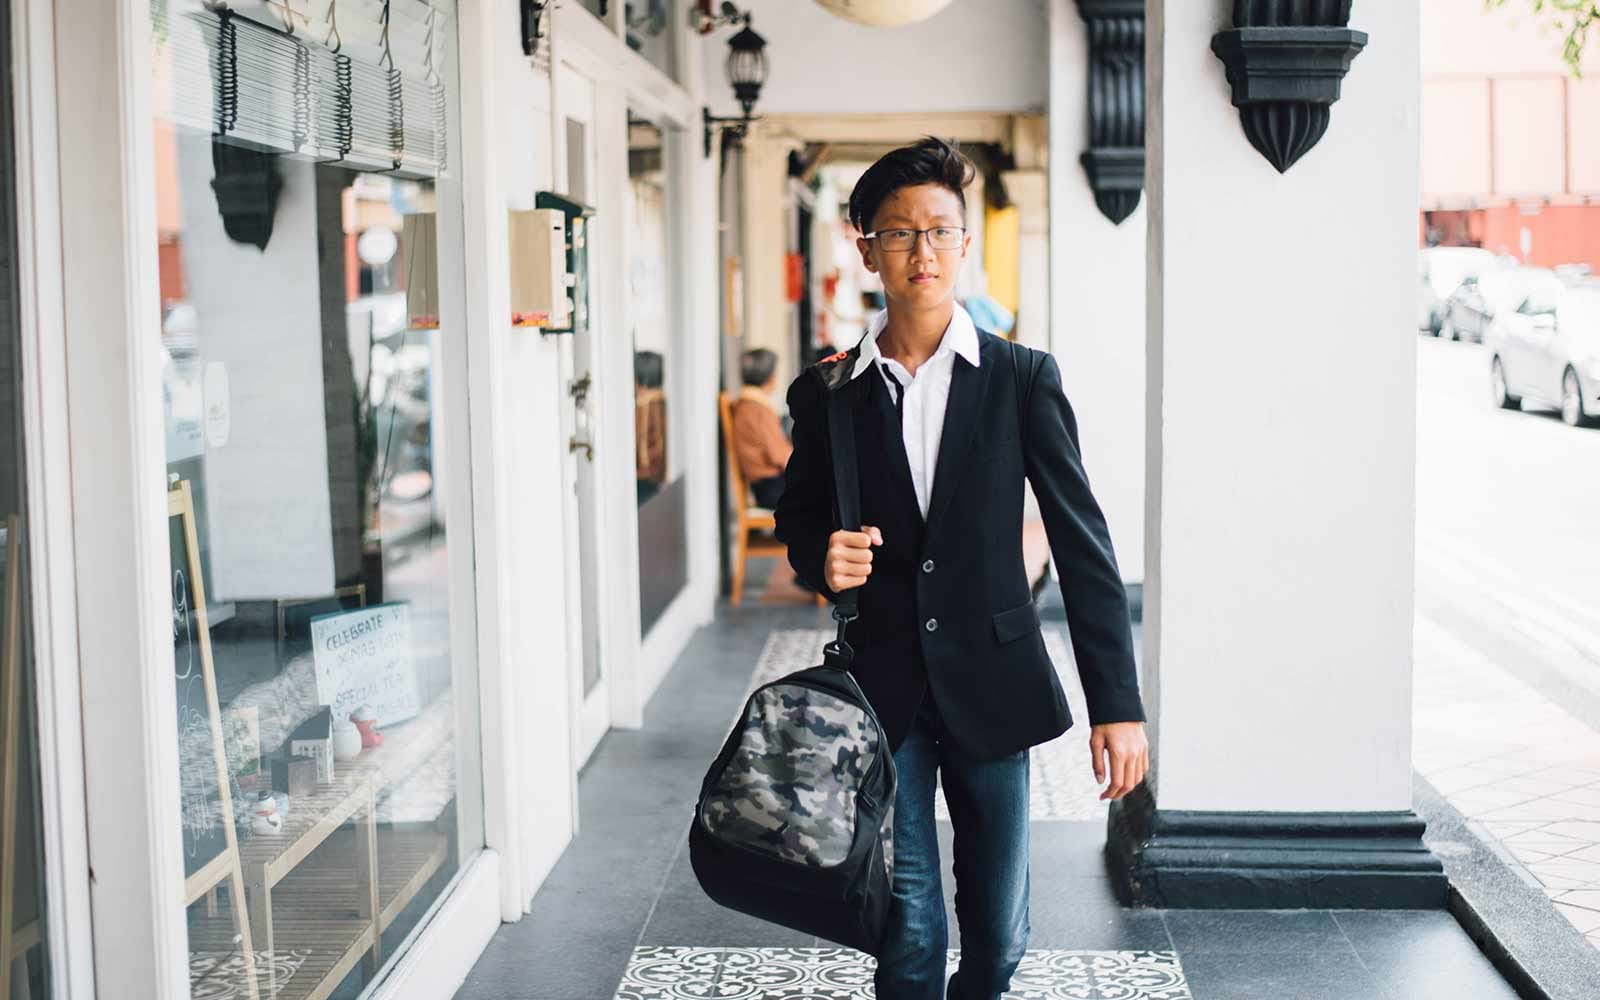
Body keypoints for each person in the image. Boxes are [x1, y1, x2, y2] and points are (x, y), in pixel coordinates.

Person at [773, 137, 1149, 1000]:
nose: (922, 252)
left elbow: (1084, 545)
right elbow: (799, 520)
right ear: (865, 247)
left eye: (940, 231)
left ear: (965, 243)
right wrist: (821, 560)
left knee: (998, 930)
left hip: (996, 680)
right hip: (885, 690)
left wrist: (1117, 707)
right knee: (905, 932)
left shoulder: (1021, 379)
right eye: (899, 234)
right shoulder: (826, 393)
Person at [730, 348, 793, 510]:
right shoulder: (759, 410)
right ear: (771, 378)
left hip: (764, 486)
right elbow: (779, 455)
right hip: (771, 488)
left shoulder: (745, 405)